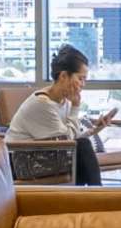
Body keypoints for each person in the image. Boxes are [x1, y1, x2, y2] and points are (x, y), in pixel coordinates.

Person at [7, 43, 108, 185]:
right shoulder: (42, 103)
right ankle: (97, 195)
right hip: (20, 162)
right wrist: (76, 107)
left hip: (43, 155)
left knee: (81, 152)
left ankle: (86, 196)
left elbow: (69, 139)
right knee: (82, 149)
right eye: (80, 78)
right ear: (63, 76)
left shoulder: (64, 101)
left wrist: (94, 130)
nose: (83, 84)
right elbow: (68, 141)